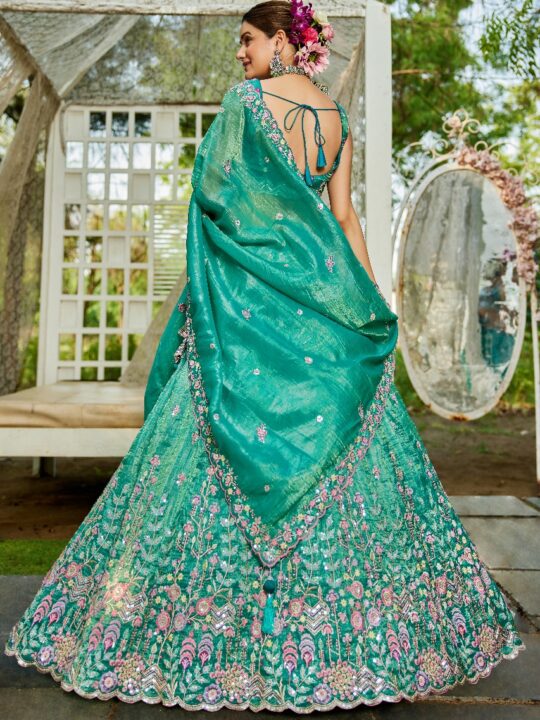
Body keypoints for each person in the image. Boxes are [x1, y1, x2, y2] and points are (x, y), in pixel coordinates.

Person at [4, 0, 524, 712]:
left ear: (283, 41)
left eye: (247, 39)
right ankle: (366, 645)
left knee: (194, 445)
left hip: (243, 308)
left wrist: (220, 275)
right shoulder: (335, 120)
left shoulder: (245, 106)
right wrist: (368, 301)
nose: (239, 52)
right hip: (322, 306)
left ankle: (188, 635)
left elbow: (213, 199)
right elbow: (343, 218)